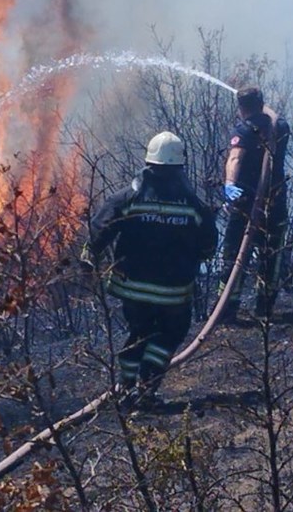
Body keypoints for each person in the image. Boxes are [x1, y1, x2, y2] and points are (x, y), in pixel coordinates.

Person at [85, 131, 219, 410]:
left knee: (139, 331)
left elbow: (100, 228)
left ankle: (125, 385)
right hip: (173, 292)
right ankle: (146, 386)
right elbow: (208, 245)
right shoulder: (194, 206)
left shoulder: (128, 198)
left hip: (131, 287)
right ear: (180, 167)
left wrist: (89, 257)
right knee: (170, 334)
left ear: (148, 163)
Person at [220, 86, 291, 321]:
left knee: (235, 253)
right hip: (276, 201)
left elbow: (235, 157)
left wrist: (229, 184)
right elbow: (272, 114)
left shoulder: (244, 130)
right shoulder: (279, 127)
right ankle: (265, 307)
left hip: (246, 202)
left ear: (241, 108)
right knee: (271, 254)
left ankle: (228, 306)